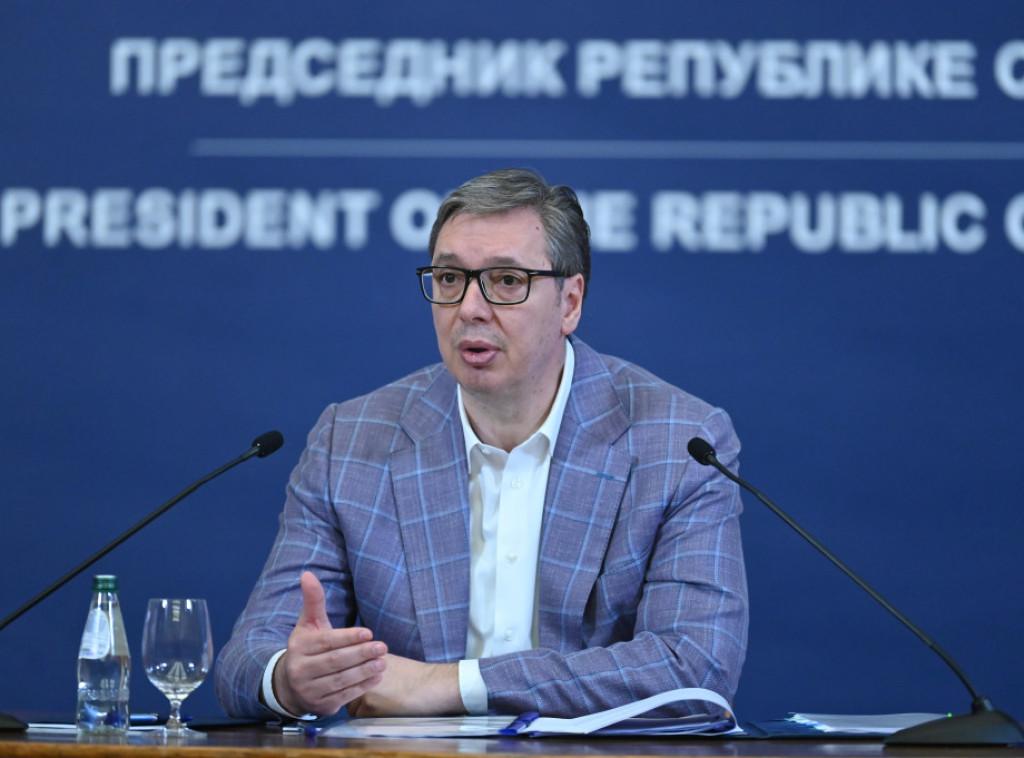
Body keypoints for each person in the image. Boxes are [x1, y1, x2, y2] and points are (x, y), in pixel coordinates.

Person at [215, 168, 748, 721]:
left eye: (507, 280)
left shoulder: (677, 443)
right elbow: (247, 659)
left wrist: (453, 685)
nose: (469, 307)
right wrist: (291, 678)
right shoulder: (350, 441)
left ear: (569, 302)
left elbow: (695, 667)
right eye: (450, 278)